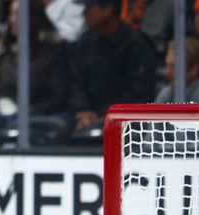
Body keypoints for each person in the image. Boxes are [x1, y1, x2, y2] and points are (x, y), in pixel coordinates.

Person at [67, 0, 157, 131]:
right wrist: (82, 109)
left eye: (90, 7)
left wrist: (101, 114)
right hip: (83, 117)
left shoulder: (136, 45)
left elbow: (138, 93)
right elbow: (76, 83)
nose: (84, 13)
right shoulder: (85, 43)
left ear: (108, 9)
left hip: (123, 123)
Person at [0, 0, 69, 125]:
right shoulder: (6, 53)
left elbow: (59, 95)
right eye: (11, 14)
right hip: (7, 115)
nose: (12, 20)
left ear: (32, 16)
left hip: (41, 116)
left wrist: (29, 111)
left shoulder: (53, 52)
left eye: (17, 14)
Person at [155, 37, 199, 103]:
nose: (166, 72)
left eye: (173, 67)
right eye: (167, 65)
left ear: (194, 69)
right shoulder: (170, 91)